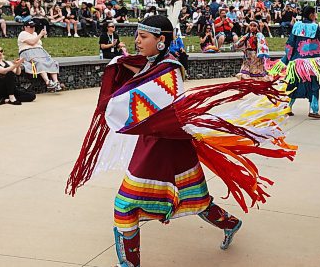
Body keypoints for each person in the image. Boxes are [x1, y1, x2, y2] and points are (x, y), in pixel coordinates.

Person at [66, 15, 296, 267]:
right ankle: (230, 223)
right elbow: (139, 84)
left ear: (161, 40)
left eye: (143, 37)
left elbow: (150, 103)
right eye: (137, 36)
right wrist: (125, 66)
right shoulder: (152, 64)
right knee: (195, 200)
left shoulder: (170, 70)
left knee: (127, 205)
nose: (137, 42)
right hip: (157, 144)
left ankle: (129, 264)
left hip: (164, 147)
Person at [268, 6, 320, 119]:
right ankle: (314, 110)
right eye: (314, 13)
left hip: (297, 63)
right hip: (311, 63)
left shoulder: (297, 25)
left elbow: (290, 43)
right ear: (310, 15)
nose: (316, 15)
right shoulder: (315, 27)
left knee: (292, 83)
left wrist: (288, 58)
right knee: (314, 85)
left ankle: (287, 108)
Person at [17, 20, 62, 91]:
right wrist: (40, 34)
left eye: (33, 27)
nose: (33, 28)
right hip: (28, 51)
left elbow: (38, 43)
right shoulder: (23, 34)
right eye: (31, 27)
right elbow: (32, 42)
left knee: (52, 62)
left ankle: (56, 82)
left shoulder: (35, 34)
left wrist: (39, 35)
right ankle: (48, 82)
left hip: (40, 51)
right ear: (25, 27)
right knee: (39, 62)